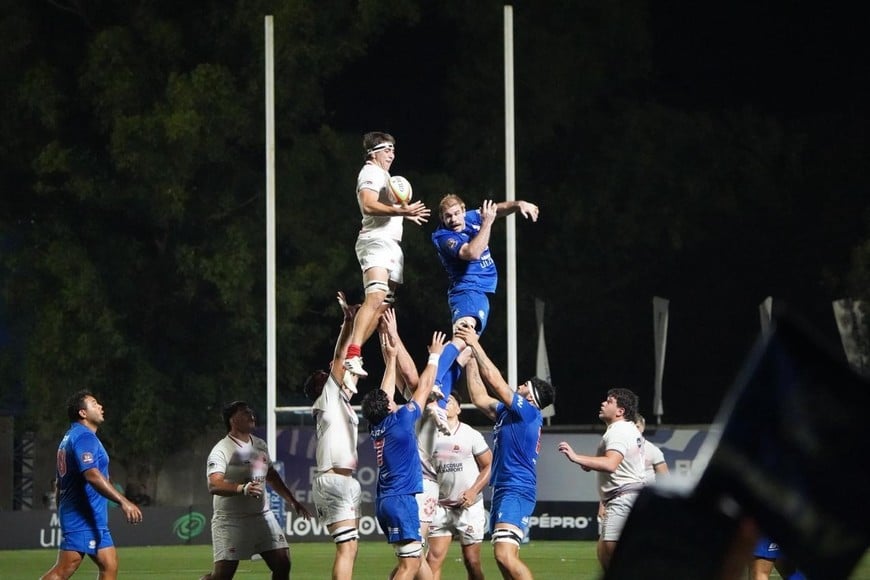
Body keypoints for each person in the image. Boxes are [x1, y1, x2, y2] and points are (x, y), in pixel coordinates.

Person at [456, 324, 555, 580]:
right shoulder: (509, 413)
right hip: (504, 488)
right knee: (503, 560)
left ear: (530, 398)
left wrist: (474, 343)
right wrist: (469, 359)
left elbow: (497, 383)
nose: (519, 385)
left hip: (516, 488)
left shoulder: (528, 412)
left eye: (525, 385)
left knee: (504, 556)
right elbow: (478, 396)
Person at [428, 195, 539, 416]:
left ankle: (438, 404)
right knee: (462, 337)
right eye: (447, 216)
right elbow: (472, 252)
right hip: (467, 290)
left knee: (465, 351)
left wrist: (519, 205)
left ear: (463, 210)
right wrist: (487, 223)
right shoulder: (444, 237)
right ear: (442, 218)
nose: (453, 219)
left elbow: (496, 209)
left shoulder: (470, 217)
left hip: (479, 292)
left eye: (456, 213)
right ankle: (434, 380)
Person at [342, 131, 431, 386]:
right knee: (376, 297)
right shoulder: (369, 172)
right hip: (376, 242)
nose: (392, 154)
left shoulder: (385, 176)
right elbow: (367, 205)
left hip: (391, 245)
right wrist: (400, 210)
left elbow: (386, 210)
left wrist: (403, 214)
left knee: (382, 308)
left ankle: (351, 357)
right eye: (387, 149)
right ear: (373, 152)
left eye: (393, 149)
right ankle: (353, 353)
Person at [361, 321, 446, 580]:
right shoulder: (401, 421)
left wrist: (391, 360)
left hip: (386, 501)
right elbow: (422, 388)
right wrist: (434, 356)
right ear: (388, 408)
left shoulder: (377, 424)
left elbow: (385, 394)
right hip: (401, 500)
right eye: (390, 402)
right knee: (409, 567)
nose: (393, 400)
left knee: (417, 565)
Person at [201, 401, 311, 580]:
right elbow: (214, 485)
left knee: (283, 563)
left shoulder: (259, 444)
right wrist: (242, 488)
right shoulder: (221, 449)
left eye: (251, 410)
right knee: (222, 576)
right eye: (244, 412)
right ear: (232, 420)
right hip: (231, 520)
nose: (251, 414)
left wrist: (293, 501)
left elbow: (272, 475)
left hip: (261, 516)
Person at [40, 390, 143, 580]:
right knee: (64, 569)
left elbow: (61, 483)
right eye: (94, 403)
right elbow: (92, 475)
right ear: (83, 413)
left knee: (109, 563)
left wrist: (62, 507)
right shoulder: (83, 437)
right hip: (82, 516)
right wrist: (123, 502)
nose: (100, 406)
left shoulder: (72, 437)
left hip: (90, 516)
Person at [303, 291, 363, 579]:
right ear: (320, 387)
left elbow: (348, 359)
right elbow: (340, 356)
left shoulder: (338, 401)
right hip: (334, 480)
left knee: (350, 548)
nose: (328, 375)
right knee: (346, 548)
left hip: (342, 480)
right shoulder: (326, 398)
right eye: (323, 378)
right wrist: (347, 322)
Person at [557, 388, 646, 572]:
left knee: (615, 558)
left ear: (620, 411)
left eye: (609, 401)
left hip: (623, 498)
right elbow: (610, 463)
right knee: (604, 553)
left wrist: (576, 457)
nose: (603, 403)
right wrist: (587, 463)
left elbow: (611, 464)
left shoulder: (619, 431)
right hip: (623, 497)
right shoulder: (624, 429)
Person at [426, 392, 492, 580]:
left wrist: (473, 491)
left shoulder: (470, 434)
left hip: (469, 506)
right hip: (441, 506)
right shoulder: (429, 435)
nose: (445, 404)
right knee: (433, 560)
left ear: (459, 409)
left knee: (472, 561)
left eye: (450, 401)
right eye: (442, 402)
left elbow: (489, 464)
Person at [635, 414, 669, 484]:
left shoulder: (653, 450)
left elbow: (665, 479)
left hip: (644, 492)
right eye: (631, 427)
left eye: (637, 427)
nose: (634, 430)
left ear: (643, 427)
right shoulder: (617, 449)